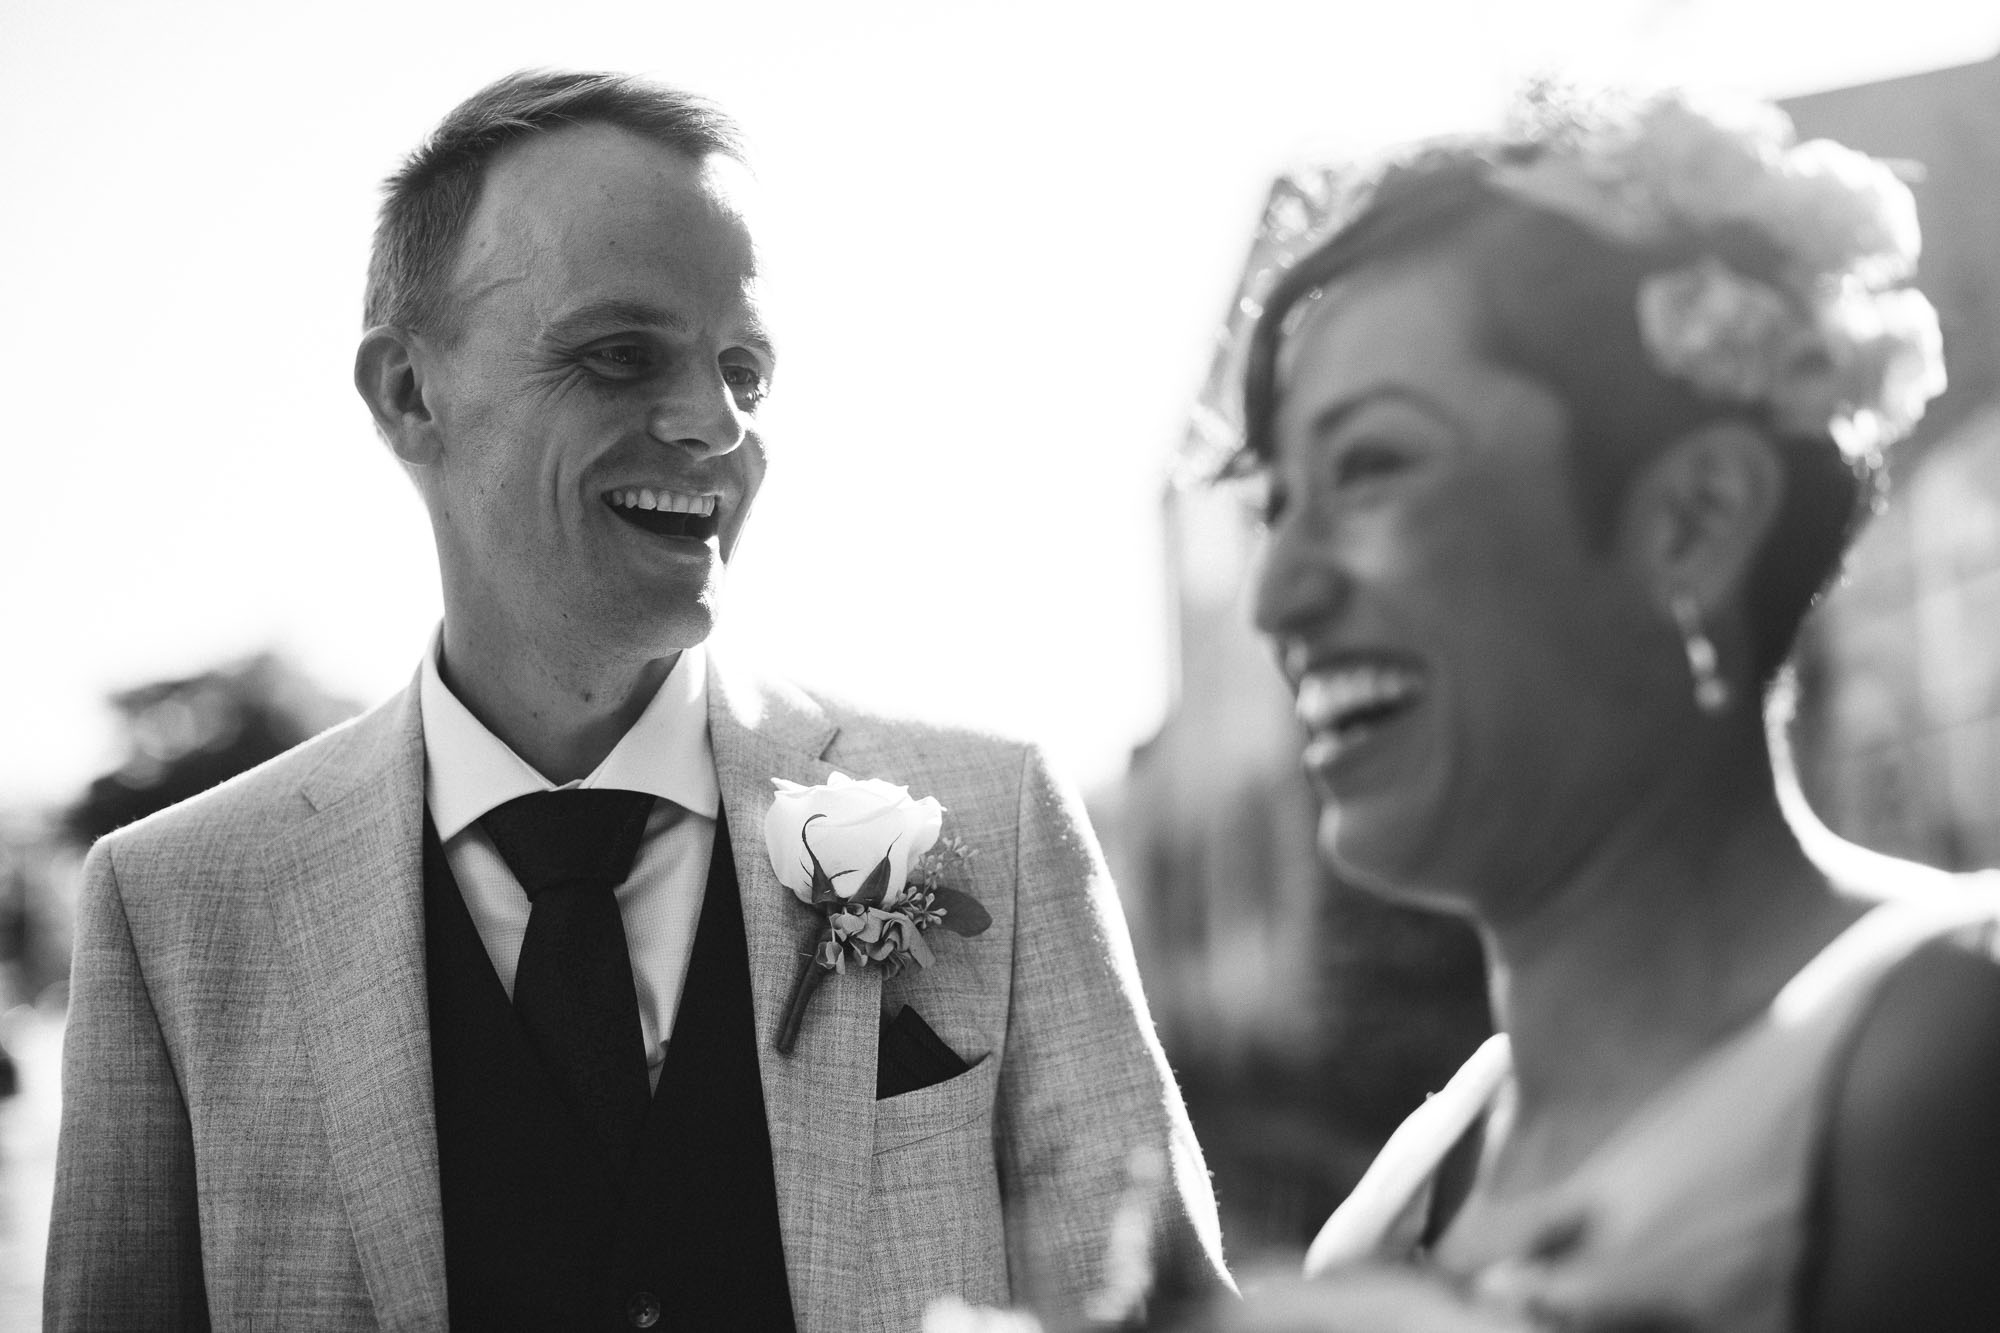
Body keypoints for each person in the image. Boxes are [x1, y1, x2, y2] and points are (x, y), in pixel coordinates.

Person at [45, 70, 1226, 1332]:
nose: (716, 424)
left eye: (745, 369)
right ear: (407, 393)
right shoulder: (173, 910)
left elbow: (1168, 1316)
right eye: (620, 356)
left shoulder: (987, 814)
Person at [1230, 90, 2000, 1330]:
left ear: (1692, 516)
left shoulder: (1944, 1057)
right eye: (1275, 504)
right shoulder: (1385, 1220)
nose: (1278, 593)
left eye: (1369, 465)